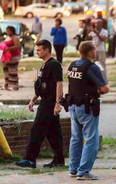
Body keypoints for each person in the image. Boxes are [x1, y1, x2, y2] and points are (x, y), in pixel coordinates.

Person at [14, 39, 64, 168]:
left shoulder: (54, 64)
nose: (37, 52)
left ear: (47, 50)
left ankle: (30, 159)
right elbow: (41, 85)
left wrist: (58, 103)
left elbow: (59, 83)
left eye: (39, 50)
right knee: (53, 133)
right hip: (44, 100)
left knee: (37, 130)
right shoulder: (44, 65)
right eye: (36, 50)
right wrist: (33, 99)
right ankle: (59, 160)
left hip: (50, 103)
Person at [67, 41, 109, 180]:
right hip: (86, 107)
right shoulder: (92, 67)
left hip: (73, 106)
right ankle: (84, 171)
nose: (95, 52)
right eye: (94, 50)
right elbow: (104, 88)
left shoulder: (73, 65)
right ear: (91, 52)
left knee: (75, 139)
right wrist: (98, 90)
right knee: (91, 139)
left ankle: (73, 169)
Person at [1, 26, 21, 91]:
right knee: (6, 71)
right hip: (6, 57)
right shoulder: (7, 37)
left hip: (14, 56)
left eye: (9, 31)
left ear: (12, 31)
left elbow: (17, 46)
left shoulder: (15, 37)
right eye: (7, 31)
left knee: (12, 71)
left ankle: (14, 85)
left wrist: (8, 49)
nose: (7, 32)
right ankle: (7, 84)